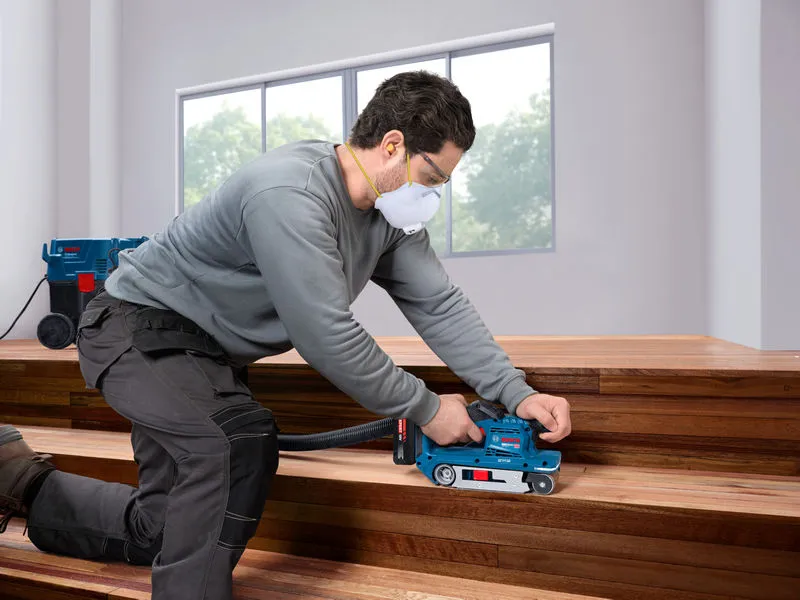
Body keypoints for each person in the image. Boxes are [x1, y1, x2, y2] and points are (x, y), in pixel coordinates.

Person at [0, 71, 571, 599]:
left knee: (163, 530)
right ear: (393, 145)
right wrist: (425, 408)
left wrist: (516, 391)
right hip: (136, 329)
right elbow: (325, 335)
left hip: (200, 355)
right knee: (235, 441)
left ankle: (18, 478)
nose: (434, 192)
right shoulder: (290, 194)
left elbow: (440, 305)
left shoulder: (392, 218)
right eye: (433, 176)